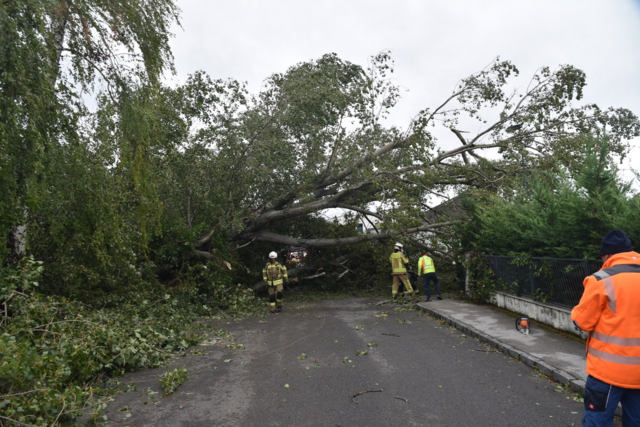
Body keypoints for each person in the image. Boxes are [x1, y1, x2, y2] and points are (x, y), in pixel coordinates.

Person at [571, 229, 640, 426]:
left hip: (608, 372)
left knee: (597, 421)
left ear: (608, 255)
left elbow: (582, 322)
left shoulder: (601, 279)